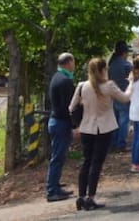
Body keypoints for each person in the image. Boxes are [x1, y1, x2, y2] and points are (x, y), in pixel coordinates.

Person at [69, 57, 132, 211]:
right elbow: (125, 98)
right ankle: (91, 198)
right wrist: (131, 83)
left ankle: (81, 197)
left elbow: (71, 107)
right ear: (104, 69)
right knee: (96, 164)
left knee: (86, 162)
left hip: (86, 128)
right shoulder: (108, 86)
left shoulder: (82, 86)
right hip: (104, 128)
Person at [45, 53, 76, 202]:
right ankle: (52, 191)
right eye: (73, 62)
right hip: (61, 123)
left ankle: (55, 186)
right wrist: (74, 125)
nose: (74, 65)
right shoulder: (65, 81)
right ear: (68, 62)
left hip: (56, 121)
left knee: (59, 156)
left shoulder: (57, 76)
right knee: (57, 157)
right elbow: (67, 107)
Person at [107, 41, 133, 153]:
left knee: (115, 121)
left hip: (112, 97)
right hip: (124, 96)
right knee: (123, 121)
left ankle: (113, 143)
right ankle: (121, 144)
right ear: (124, 53)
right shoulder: (127, 65)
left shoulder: (111, 64)